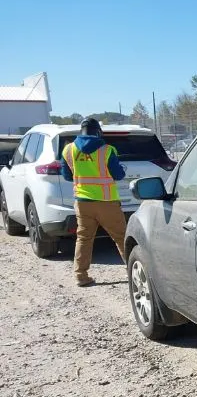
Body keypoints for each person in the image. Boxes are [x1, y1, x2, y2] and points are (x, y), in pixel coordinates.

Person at [60, 118, 127, 287]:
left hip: (82, 202)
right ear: (98, 132)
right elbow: (118, 175)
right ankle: (133, 269)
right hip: (107, 202)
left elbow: (67, 176)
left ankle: (81, 276)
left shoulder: (68, 150)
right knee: (121, 237)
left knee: (84, 238)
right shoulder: (107, 150)